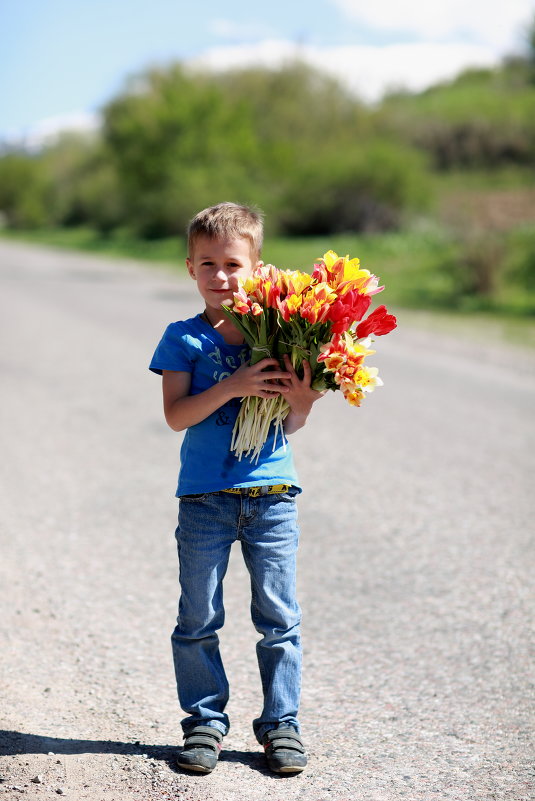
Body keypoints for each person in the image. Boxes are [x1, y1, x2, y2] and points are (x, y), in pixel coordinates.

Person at [149, 202, 323, 774]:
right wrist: (234, 384)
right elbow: (177, 415)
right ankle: (204, 721)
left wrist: (302, 399)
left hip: (271, 493)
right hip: (204, 499)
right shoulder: (183, 339)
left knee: (279, 616)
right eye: (207, 265)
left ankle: (282, 725)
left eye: (232, 264)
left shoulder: (277, 332)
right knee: (198, 615)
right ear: (190, 269)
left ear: (257, 268)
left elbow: (289, 423)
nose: (220, 277)